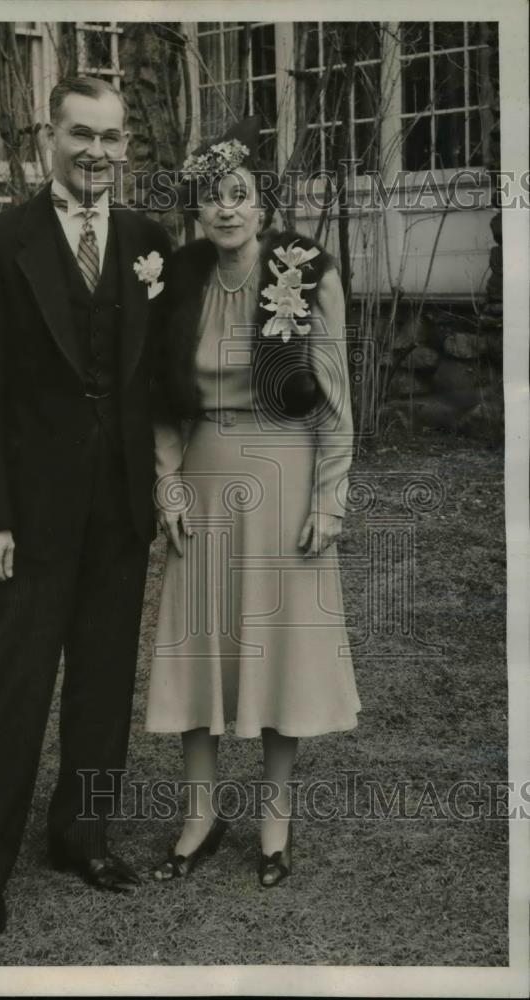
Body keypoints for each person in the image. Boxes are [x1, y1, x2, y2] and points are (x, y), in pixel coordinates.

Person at [0, 75, 170, 933]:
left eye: (113, 139)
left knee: (104, 682)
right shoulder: (0, 244)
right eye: (83, 134)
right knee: (17, 683)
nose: (98, 154)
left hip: (119, 504)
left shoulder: (149, 242)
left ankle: (82, 836)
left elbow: (158, 376)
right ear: (49, 136)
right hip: (30, 514)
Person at [145, 117, 361, 887]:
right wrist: (166, 481)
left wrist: (328, 501)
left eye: (240, 195)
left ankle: (275, 824)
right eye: (211, 198)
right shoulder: (179, 277)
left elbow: (334, 400)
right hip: (204, 477)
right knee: (199, 650)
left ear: (264, 204)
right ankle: (200, 817)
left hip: (283, 474)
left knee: (278, 656)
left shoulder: (308, 271)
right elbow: (163, 401)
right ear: (196, 210)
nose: (226, 210)